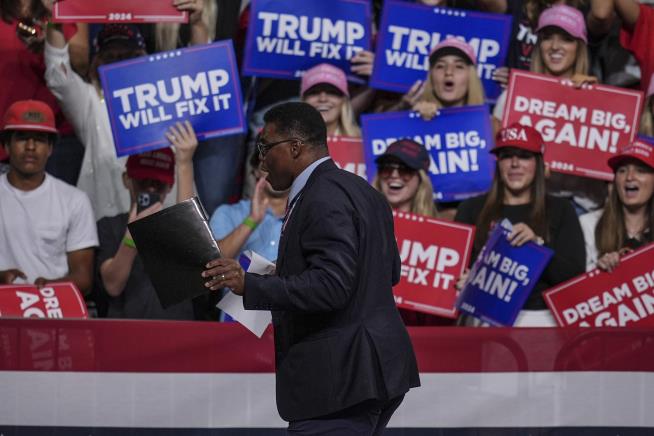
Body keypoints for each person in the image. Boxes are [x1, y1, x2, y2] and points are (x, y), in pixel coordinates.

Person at [202, 102, 419, 433]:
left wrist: (252, 284)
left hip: (340, 381)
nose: (261, 161)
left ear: (294, 147)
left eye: (265, 147)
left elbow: (332, 285)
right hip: (375, 373)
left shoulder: (321, 196)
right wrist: (286, 274)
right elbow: (386, 272)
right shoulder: (362, 190)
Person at [455, 123, 585, 326]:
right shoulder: (471, 208)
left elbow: (574, 277)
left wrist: (536, 247)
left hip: (539, 319)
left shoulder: (561, 209)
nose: (514, 163)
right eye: (506, 155)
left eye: (524, 155)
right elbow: (456, 270)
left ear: (539, 163)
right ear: (498, 163)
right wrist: (463, 280)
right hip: (483, 315)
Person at [95, 122, 198, 320]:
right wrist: (131, 239)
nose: (150, 190)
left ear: (170, 187)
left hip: (177, 332)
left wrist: (184, 163)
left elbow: (192, 247)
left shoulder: (179, 224)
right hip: (126, 331)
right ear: (127, 180)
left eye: (158, 184)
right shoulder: (109, 225)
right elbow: (112, 286)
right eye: (143, 182)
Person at [0, 99, 97, 294]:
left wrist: (48, 287)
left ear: (51, 148)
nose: (30, 146)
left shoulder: (74, 200)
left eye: (39, 139)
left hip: (53, 311)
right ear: (6, 146)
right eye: (21, 137)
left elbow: (84, 278)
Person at [580, 138, 654, 272]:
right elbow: (572, 284)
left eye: (640, 170)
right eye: (622, 171)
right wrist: (598, 270)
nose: (630, 177)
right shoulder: (588, 224)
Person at [210, 150, 287, 262]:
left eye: (283, 164)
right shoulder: (227, 214)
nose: (276, 171)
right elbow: (213, 264)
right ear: (255, 170)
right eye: (270, 163)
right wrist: (252, 220)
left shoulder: (307, 215)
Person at [412, 38, 486, 121]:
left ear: (471, 77)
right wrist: (413, 120)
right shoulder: (412, 118)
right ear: (431, 77)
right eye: (440, 66)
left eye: (459, 66)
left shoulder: (488, 125)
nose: (448, 72)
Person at [373, 139, 437, 217]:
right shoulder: (362, 223)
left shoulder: (437, 227)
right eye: (387, 168)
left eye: (405, 170)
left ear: (421, 179)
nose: (394, 175)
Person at [300, 63, 361, 138]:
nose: (323, 99)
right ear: (303, 101)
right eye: (314, 92)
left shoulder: (364, 142)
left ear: (343, 101)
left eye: (332, 92)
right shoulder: (286, 142)